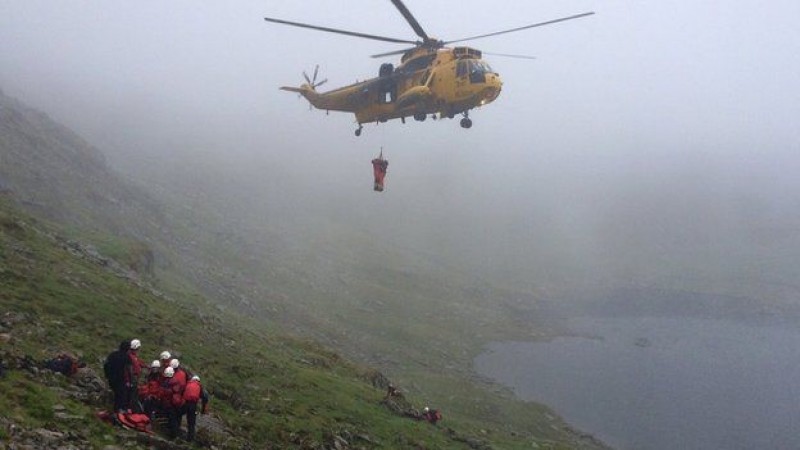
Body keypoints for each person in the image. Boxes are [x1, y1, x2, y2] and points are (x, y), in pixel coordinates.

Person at [104, 340, 131, 412]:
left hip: (111, 379)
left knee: (115, 395)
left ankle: (113, 411)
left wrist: (107, 375)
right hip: (121, 380)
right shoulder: (127, 357)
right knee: (121, 397)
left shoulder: (112, 354)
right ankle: (119, 412)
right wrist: (129, 381)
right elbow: (128, 371)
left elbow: (106, 365)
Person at [182, 374, 210, 442]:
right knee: (191, 423)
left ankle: (175, 431)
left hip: (185, 404)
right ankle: (190, 439)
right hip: (193, 405)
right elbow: (205, 398)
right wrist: (203, 410)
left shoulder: (188, 384)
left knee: (178, 415)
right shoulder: (199, 386)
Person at [124, 339, 145, 412]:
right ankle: (128, 409)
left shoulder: (134, 356)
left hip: (135, 378)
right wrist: (128, 380)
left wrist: (145, 366)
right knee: (131, 394)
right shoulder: (129, 356)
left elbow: (139, 362)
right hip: (131, 378)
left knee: (134, 393)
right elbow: (127, 369)